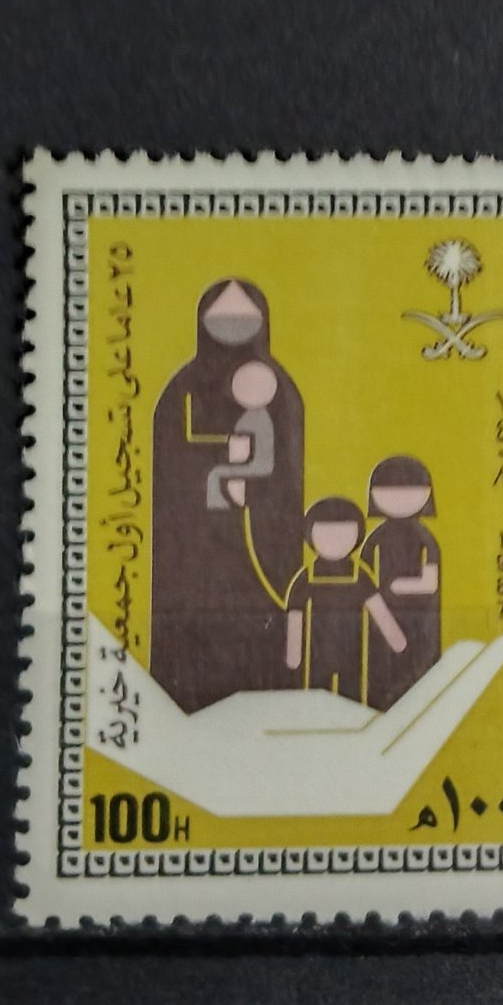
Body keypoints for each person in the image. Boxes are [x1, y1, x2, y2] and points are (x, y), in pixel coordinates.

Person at [149, 279, 304, 713]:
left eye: (243, 318)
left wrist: (248, 480)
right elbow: (171, 457)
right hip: (194, 545)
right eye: (222, 318)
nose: (233, 327)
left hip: (257, 535)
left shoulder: (279, 389)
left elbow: (283, 470)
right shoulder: (182, 388)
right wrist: (216, 461)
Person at [283, 498, 406, 702]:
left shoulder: (360, 576)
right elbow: (296, 615)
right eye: (325, 534)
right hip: (316, 651)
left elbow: (378, 609)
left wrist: (396, 639)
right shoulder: (305, 578)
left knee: (353, 695)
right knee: (315, 694)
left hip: (352, 649)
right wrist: (294, 653)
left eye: (343, 534)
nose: (334, 541)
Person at [360, 456, 442, 710]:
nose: (400, 498)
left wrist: (395, 587)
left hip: (421, 619)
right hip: (380, 618)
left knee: (420, 672)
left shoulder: (425, 540)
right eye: (390, 491)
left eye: (409, 491)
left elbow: (430, 583)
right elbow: (362, 578)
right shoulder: (374, 540)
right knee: (381, 669)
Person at [206, 361, 279, 509]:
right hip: (248, 463)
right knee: (216, 473)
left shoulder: (258, 418)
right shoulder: (250, 416)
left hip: (258, 465)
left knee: (215, 474)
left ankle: (219, 507)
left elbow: (253, 450)